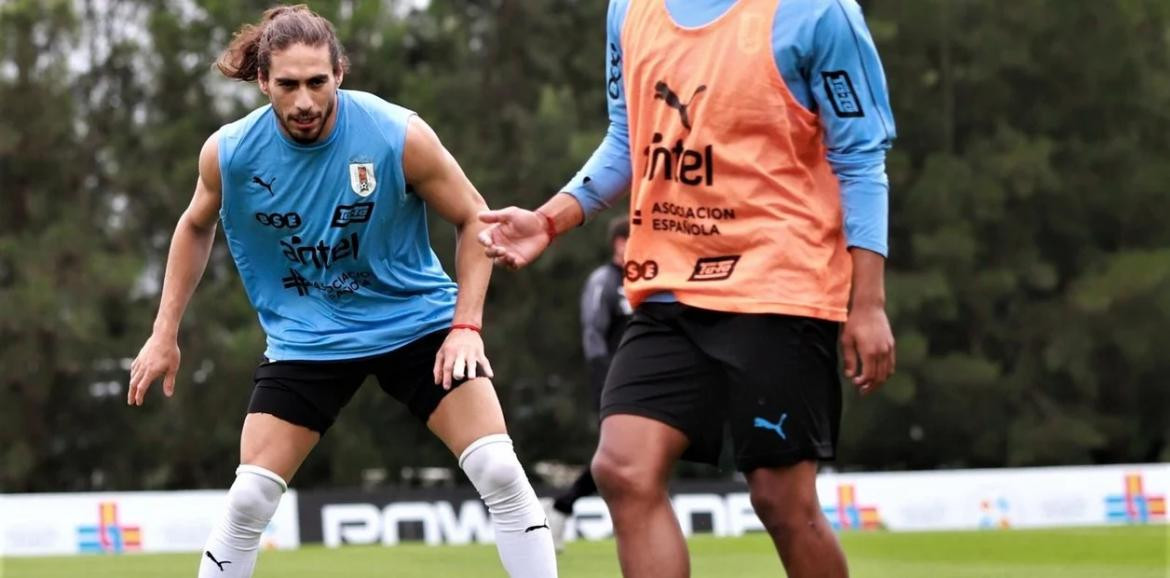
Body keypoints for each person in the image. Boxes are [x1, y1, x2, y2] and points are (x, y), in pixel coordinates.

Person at [126, 5, 556, 577]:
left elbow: (477, 221)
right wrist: (164, 333)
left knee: (500, 472)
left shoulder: (395, 133)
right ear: (262, 81)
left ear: (340, 74)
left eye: (316, 82)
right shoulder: (229, 152)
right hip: (309, 339)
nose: (303, 101)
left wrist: (466, 326)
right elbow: (195, 225)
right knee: (249, 500)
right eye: (287, 84)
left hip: (416, 323)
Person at [478, 0, 896, 576]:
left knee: (782, 500)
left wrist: (868, 303)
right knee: (622, 469)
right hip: (668, 284)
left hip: (778, 286)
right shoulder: (628, 9)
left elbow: (861, 157)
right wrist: (550, 220)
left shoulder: (817, 11)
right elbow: (629, 140)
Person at [546, 216, 632, 551]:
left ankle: (562, 506)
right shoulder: (604, 281)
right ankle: (561, 507)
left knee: (624, 455)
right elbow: (593, 331)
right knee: (618, 454)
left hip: (644, 383)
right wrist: (605, 378)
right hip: (613, 380)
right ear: (619, 243)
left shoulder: (648, 279)